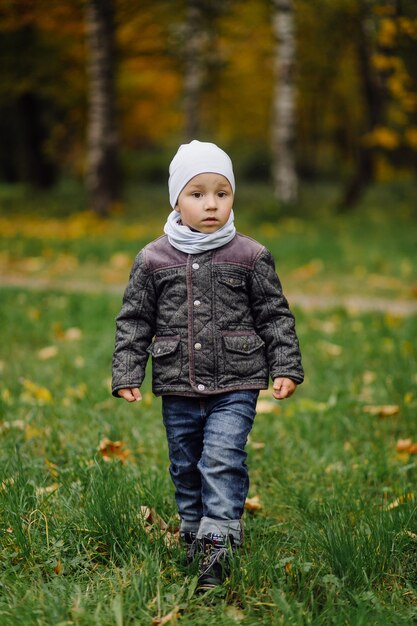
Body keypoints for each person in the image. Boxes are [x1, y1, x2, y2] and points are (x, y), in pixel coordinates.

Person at [112, 140, 304, 590]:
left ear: (233, 197)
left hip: (237, 382)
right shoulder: (152, 259)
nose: (211, 204)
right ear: (176, 199)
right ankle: (193, 532)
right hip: (178, 382)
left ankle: (218, 546)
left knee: (221, 458)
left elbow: (275, 315)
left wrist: (285, 366)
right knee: (185, 464)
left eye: (222, 193)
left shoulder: (250, 256)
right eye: (197, 194)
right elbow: (134, 320)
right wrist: (126, 372)